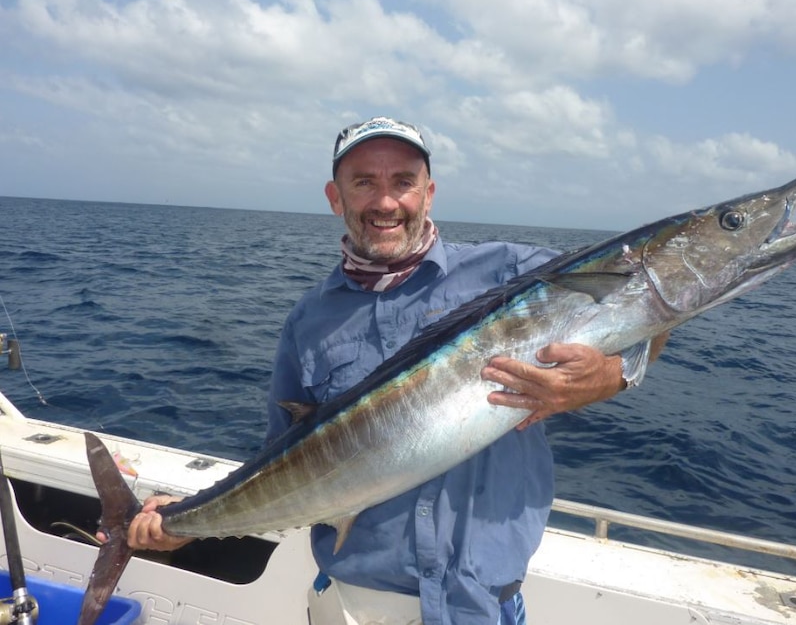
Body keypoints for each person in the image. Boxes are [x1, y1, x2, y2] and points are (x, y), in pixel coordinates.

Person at [123, 117, 640, 625]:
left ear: (429, 193)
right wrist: (189, 520)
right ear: (336, 197)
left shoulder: (512, 271)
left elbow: (648, 308)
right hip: (355, 607)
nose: (385, 202)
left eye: (403, 182)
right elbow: (282, 462)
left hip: (483, 604)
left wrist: (613, 375)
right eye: (364, 182)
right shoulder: (308, 321)